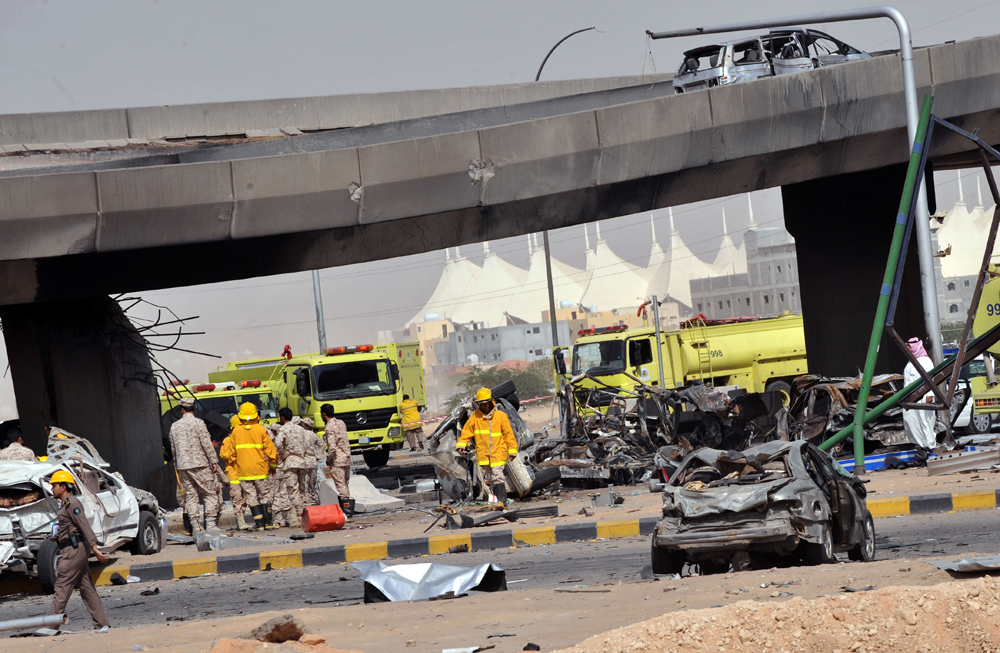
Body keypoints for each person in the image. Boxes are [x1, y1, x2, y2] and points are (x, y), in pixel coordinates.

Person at [47, 469, 111, 632]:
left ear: (63, 487)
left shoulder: (72, 503)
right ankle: (102, 624)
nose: (52, 489)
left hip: (73, 550)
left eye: (54, 485)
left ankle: (50, 626)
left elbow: (84, 525)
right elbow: (71, 527)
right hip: (73, 547)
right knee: (86, 587)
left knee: (62, 586)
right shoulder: (66, 504)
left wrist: (95, 549)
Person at [456, 387, 518, 505]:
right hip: (484, 455)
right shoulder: (475, 417)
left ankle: (501, 502)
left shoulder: (500, 416)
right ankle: (499, 503)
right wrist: (461, 445)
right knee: (491, 479)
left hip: (499, 452)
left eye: (485, 404)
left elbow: (509, 434)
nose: (483, 407)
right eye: (481, 404)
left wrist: (512, 450)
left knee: (498, 476)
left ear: (491, 402)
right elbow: (466, 432)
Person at [221, 402, 278, 530]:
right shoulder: (261, 429)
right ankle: (268, 523)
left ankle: (259, 525)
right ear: (256, 415)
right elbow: (271, 452)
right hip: (260, 469)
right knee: (264, 495)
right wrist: (273, 466)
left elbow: (232, 454)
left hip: (244, 472)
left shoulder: (235, 431)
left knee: (251, 497)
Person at [168, 397, 220, 532]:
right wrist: (213, 460)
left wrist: (176, 465)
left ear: (182, 410)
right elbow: (207, 444)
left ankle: (196, 526)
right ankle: (210, 524)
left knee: (191, 496)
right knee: (209, 494)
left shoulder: (174, 426)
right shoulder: (199, 423)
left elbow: (173, 449)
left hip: (183, 466)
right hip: (201, 464)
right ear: (193, 409)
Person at [273, 408, 312, 527]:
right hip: (301, 461)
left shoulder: (283, 429)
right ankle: (306, 514)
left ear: (282, 417)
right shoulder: (300, 429)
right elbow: (306, 444)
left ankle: (300, 517)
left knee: (292, 490)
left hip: (290, 463)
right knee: (302, 489)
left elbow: (278, 443)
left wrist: (282, 455)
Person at [903, 337, 938, 451]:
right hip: (910, 398)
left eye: (909, 347)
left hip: (922, 398)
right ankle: (920, 447)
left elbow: (930, 379)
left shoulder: (925, 361)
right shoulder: (911, 362)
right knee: (911, 422)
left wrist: (930, 395)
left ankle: (929, 447)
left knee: (924, 422)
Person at [321, 404, 352, 517]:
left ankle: (347, 511)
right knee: (345, 484)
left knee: (341, 485)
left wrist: (328, 459)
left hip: (337, 459)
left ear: (324, 414)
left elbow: (332, 446)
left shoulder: (329, 427)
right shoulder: (341, 422)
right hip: (346, 457)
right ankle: (347, 508)